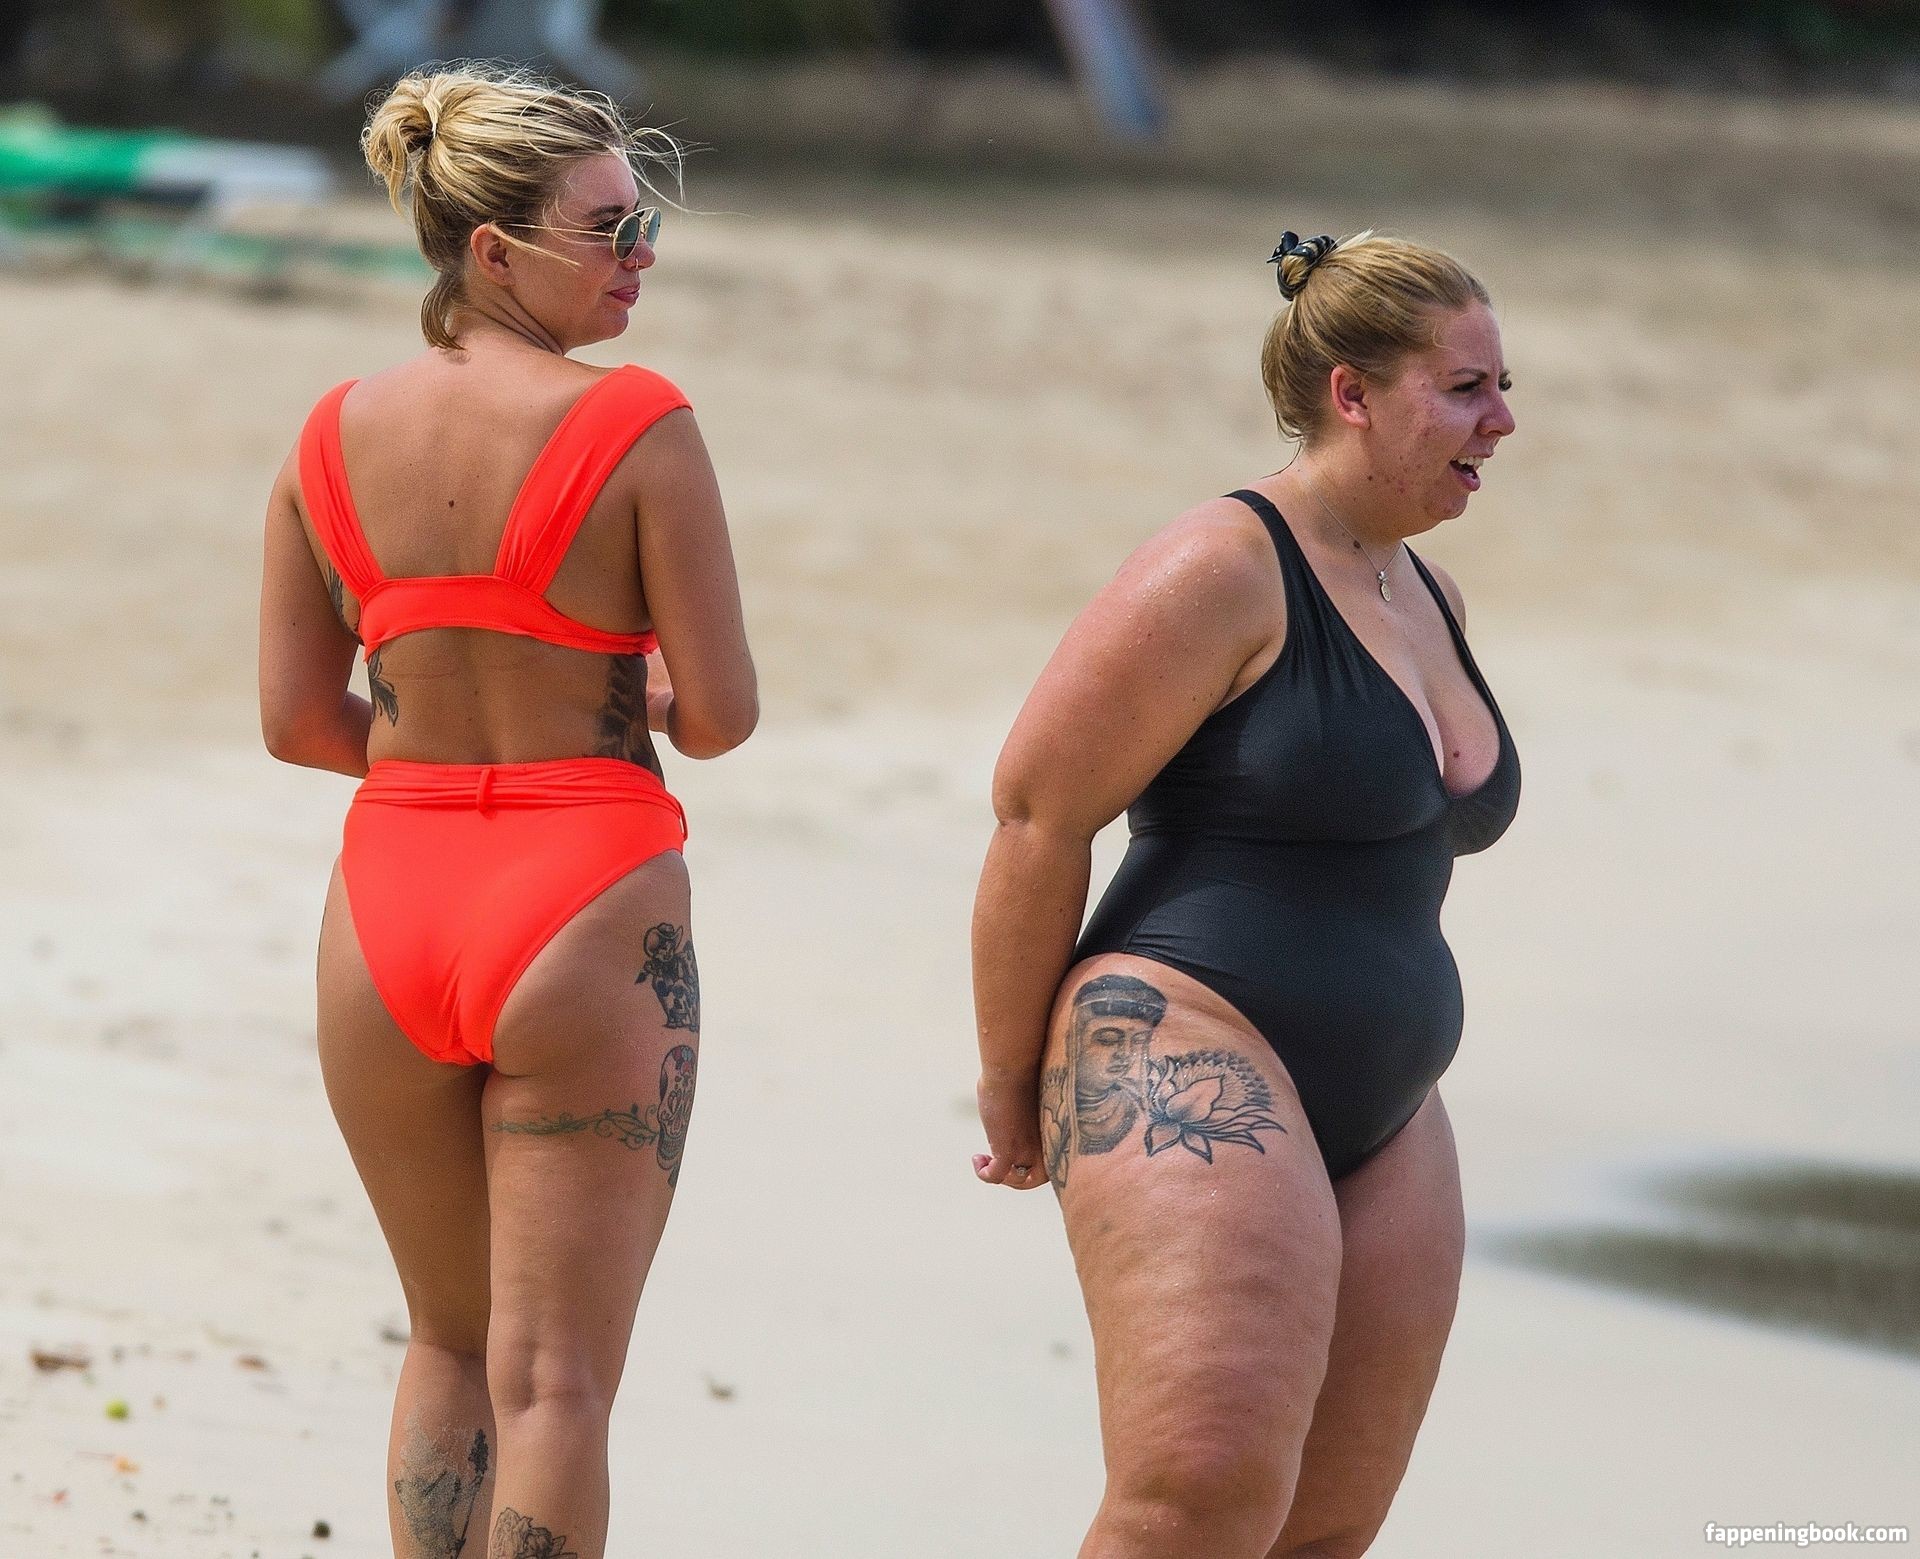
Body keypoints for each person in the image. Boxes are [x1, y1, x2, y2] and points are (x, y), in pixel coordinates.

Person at [256, 65, 755, 1559]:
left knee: (447, 1340)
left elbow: (298, 724)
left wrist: (448, 751)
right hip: (583, 890)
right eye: (609, 227)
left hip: (389, 903)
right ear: (494, 248)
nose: (640, 254)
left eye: (643, 223)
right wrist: (597, 711)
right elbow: (721, 715)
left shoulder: (328, 435)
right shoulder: (640, 424)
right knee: (557, 1383)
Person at [971, 230, 1520, 1558]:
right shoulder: (1222, 567)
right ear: (1351, 393)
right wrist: (1010, 1080)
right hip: (1189, 1037)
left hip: (1392, 1101)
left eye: (1502, 389)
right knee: (1195, 1504)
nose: (1500, 422)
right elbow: (1039, 818)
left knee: (1323, 1533)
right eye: (1464, 389)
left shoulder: (1429, 593)